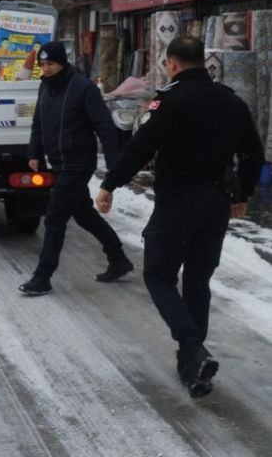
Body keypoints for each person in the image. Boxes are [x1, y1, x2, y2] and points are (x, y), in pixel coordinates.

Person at [96, 36, 264, 398]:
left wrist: (111, 183)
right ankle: (194, 367)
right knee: (198, 280)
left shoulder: (168, 101)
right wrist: (242, 194)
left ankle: (191, 346)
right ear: (202, 61)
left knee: (158, 275)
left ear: (171, 63)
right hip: (216, 204)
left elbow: (141, 147)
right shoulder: (231, 101)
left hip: (177, 204)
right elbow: (253, 152)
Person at [19, 41, 133, 296]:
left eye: (51, 64)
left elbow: (105, 127)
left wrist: (115, 169)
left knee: (55, 217)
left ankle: (43, 276)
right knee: (83, 214)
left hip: (78, 161)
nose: (46, 69)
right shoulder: (45, 87)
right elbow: (38, 122)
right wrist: (34, 152)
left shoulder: (83, 88)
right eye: (43, 65)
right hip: (58, 161)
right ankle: (118, 258)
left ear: (63, 63)